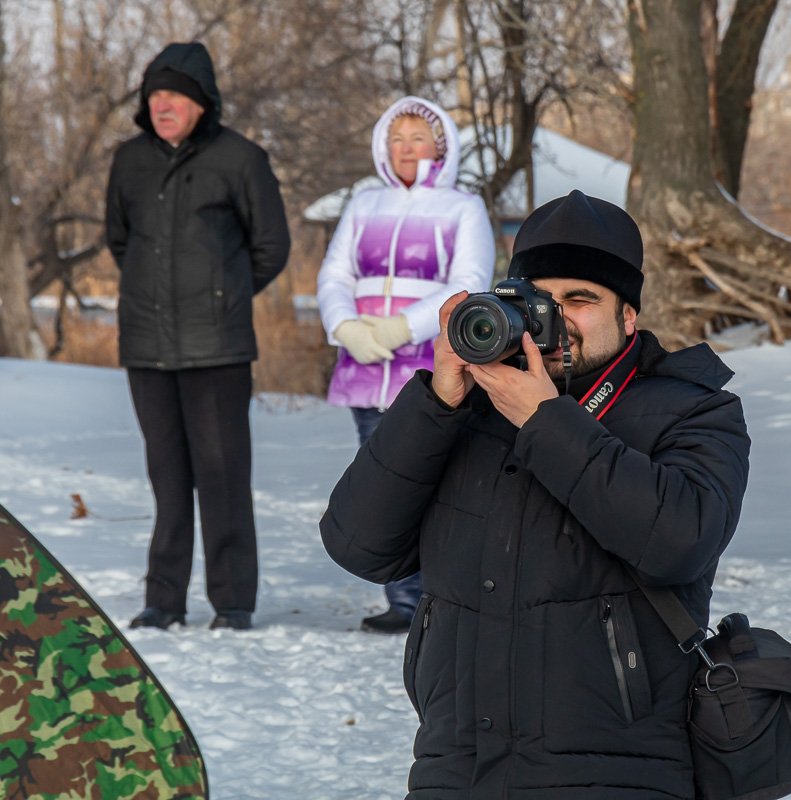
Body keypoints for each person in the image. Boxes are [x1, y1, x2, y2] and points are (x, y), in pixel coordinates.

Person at [320, 190, 752, 797]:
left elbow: (680, 540)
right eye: (536, 298)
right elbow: (357, 545)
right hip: (457, 768)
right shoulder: (464, 410)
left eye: (580, 299)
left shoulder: (695, 410)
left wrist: (546, 420)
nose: (554, 317)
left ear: (630, 316)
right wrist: (435, 404)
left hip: (618, 773)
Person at [105, 42, 290, 632]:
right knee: (166, 477)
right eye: (155, 95)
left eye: (175, 95)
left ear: (201, 103)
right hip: (148, 347)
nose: (162, 105)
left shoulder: (242, 159)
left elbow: (272, 247)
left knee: (223, 475)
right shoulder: (128, 161)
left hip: (219, 347)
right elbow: (119, 241)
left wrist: (224, 296)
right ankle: (163, 599)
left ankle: (233, 601)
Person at [316, 96, 494, 634]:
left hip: (428, 365)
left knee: (435, 479)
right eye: (397, 139)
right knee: (380, 480)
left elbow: (469, 283)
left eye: (418, 138)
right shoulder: (364, 205)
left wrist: (401, 329)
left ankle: (439, 597)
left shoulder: (463, 208)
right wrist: (345, 326)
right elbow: (335, 274)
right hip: (366, 369)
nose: (407, 148)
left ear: (440, 146)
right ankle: (402, 601)